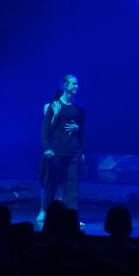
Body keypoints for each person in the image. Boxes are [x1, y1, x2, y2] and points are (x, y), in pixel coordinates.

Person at [38, 75, 85, 222]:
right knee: (52, 183)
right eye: (73, 84)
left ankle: (72, 218)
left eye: (77, 84)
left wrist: (82, 151)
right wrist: (47, 149)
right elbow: (45, 130)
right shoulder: (54, 106)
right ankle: (45, 211)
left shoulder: (79, 109)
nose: (76, 86)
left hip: (73, 152)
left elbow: (82, 132)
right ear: (65, 85)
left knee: (72, 186)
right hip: (57, 152)